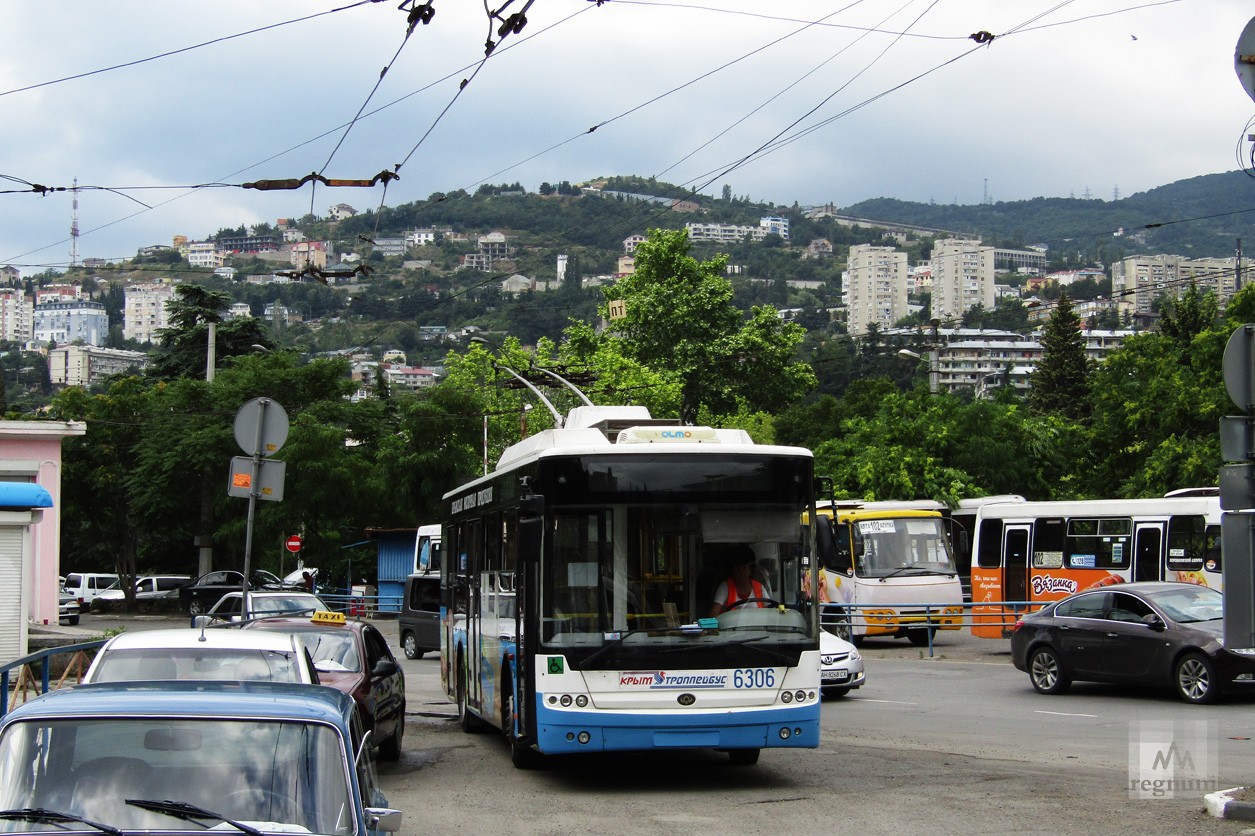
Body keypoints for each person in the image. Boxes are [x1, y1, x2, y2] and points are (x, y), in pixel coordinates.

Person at [709, 546, 772, 616]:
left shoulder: (759, 587)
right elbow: (714, 613)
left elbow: (770, 611)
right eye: (737, 569)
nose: (741, 572)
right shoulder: (725, 587)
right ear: (733, 571)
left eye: (744, 568)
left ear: (750, 570)